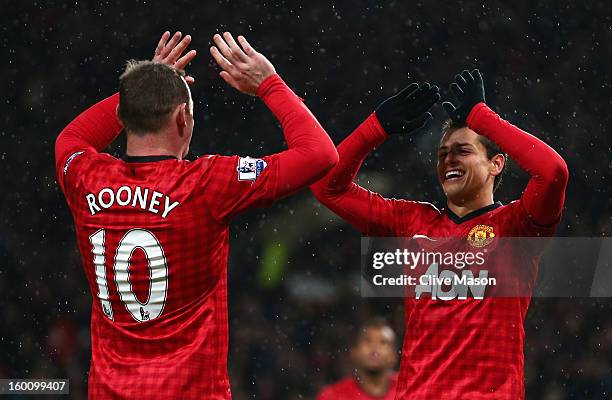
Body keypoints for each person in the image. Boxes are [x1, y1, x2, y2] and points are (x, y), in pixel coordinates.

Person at [55, 30, 337, 399]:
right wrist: (270, 85)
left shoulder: (85, 177)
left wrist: (141, 89)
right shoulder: (206, 184)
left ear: (124, 116)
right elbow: (320, 155)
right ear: (183, 118)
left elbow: (71, 138)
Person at [311, 70, 569, 399]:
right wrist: (376, 128)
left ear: (496, 164)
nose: (449, 159)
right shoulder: (412, 221)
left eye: (463, 151)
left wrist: (482, 117)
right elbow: (327, 188)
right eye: (442, 154)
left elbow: (553, 172)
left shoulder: (516, 227)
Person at [316, 318, 399, 400]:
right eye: (368, 341)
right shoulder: (332, 396)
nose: (374, 347)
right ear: (354, 352)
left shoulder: (409, 389)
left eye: (383, 342)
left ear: (394, 356)